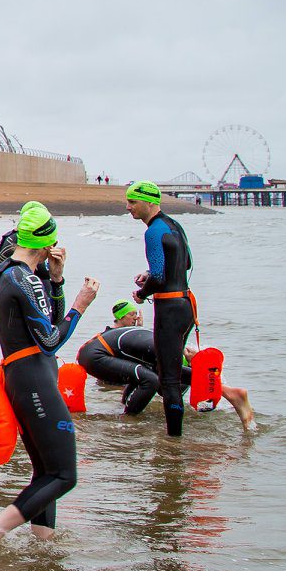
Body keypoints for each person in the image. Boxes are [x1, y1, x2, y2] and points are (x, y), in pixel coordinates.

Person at [0, 202, 98, 545]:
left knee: (45, 472)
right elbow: (51, 339)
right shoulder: (23, 279)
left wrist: (56, 278)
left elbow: (46, 321)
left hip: (23, 376)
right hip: (33, 379)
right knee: (64, 475)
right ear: (46, 243)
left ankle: (44, 544)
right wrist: (81, 305)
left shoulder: (8, 272)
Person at [77, 299, 256, 429]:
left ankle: (232, 393)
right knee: (151, 380)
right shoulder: (161, 347)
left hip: (106, 351)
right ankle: (128, 420)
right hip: (94, 356)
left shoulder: (164, 341)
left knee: (147, 374)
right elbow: (169, 378)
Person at [124, 180, 196, 438]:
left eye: (133, 202)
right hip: (185, 306)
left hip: (169, 310)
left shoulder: (152, 231)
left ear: (149, 202)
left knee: (168, 378)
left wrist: (142, 294)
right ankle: (181, 425)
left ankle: (174, 441)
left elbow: (158, 276)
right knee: (171, 371)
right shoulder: (174, 225)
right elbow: (185, 263)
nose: (128, 206)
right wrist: (149, 276)